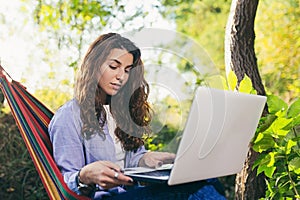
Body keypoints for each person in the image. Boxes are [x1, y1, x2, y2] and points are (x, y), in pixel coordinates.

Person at [48, 33, 226, 199]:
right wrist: (84, 176)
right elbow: (65, 184)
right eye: (114, 66)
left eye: (127, 70)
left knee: (206, 180)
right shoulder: (68, 116)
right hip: (105, 197)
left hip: (132, 193)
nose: (121, 76)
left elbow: (131, 161)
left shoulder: (122, 111)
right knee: (191, 189)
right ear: (93, 66)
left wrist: (146, 159)